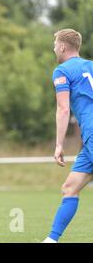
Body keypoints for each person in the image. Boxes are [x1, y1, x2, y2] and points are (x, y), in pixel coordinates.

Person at [42, 29, 93, 243]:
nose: (54, 48)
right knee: (70, 188)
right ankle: (51, 240)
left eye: (55, 44)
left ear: (63, 47)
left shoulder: (61, 70)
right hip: (89, 141)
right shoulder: (90, 65)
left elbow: (63, 110)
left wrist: (58, 145)